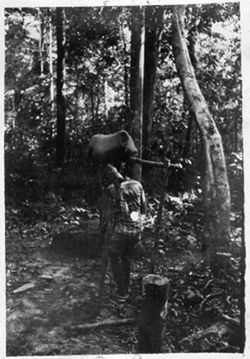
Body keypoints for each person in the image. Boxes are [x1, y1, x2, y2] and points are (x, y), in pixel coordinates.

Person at [108, 176, 147, 300]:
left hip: (122, 231)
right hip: (137, 228)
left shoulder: (115, 189)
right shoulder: (138, 185)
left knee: (113, 255)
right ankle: (127, 287)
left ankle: (122, 291)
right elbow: (144, 208)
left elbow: (113, 214)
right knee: (126, 256)